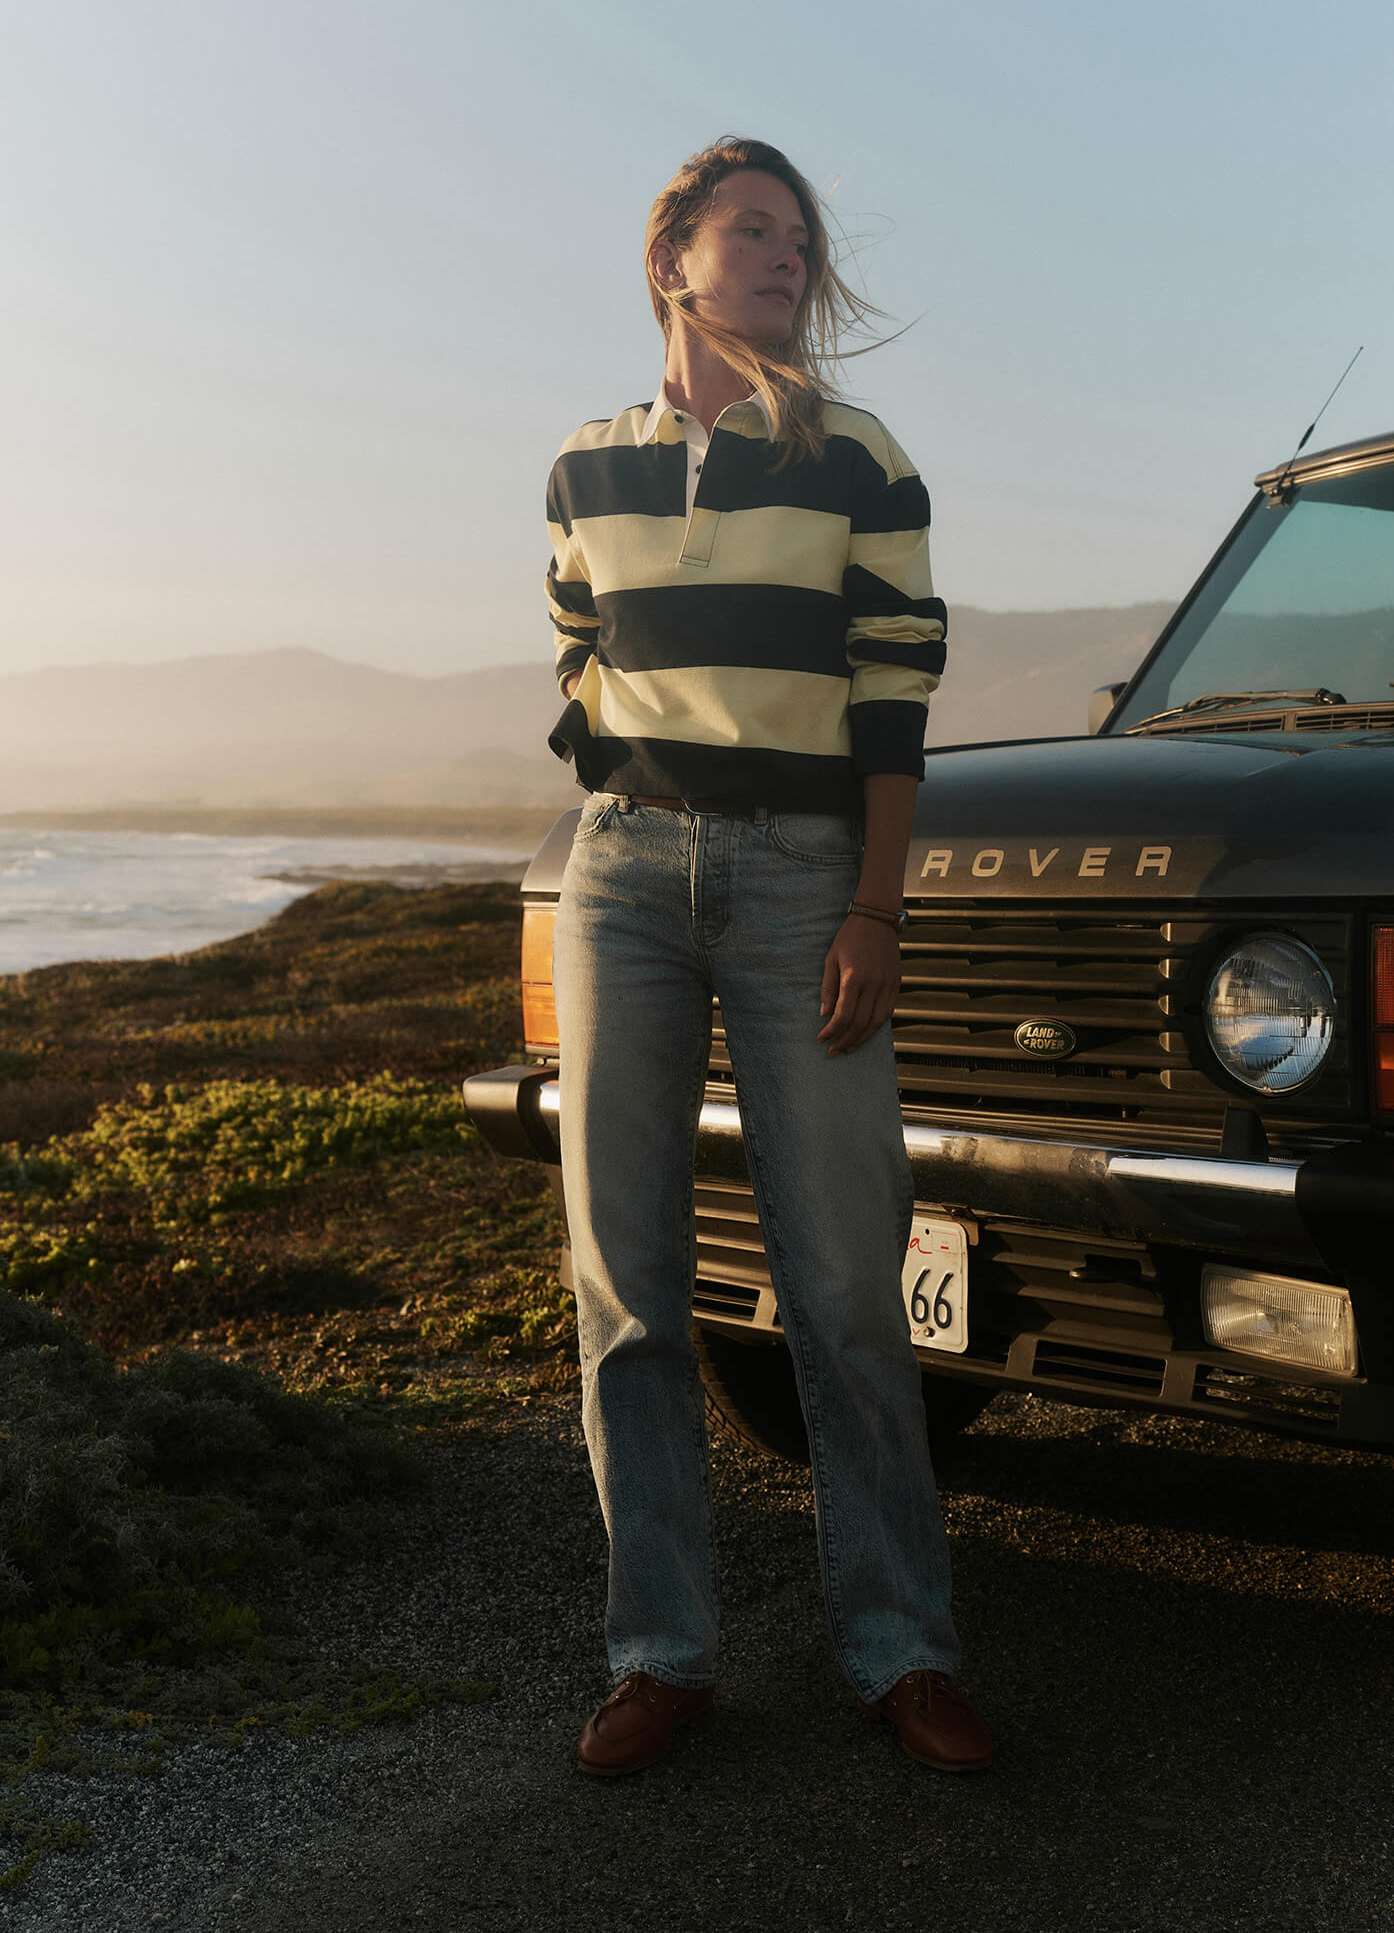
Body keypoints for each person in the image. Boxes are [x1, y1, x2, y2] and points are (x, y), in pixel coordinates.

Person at [543, 137, 990, 1777]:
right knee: (626, 1287)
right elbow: (582, 654)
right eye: (752, 231)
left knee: (846, 1288)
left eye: (797, 237)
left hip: (812, 880)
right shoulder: (585, 465)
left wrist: (876, 909)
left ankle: (900, 1648)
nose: (784, 256)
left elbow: (895, 706)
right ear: (674, 257)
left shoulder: (864, 460)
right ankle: (660, 1652)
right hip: (625, 882)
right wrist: (630, 809)